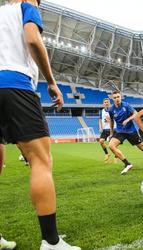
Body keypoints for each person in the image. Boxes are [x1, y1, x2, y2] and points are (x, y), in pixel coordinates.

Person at [0, 1, 80, 249]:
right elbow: (33, 39)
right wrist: (52, 81)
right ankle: (51, 242)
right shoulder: (25, 6)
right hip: (14, 83)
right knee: (40, 161)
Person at [108, 91, 143, 175]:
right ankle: (127, 164)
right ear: (112, 99)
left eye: (118, 97)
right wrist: (111, 133)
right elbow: (112, 121)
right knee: (111, 146)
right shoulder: (111, 110)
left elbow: (135, 114)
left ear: (121, 97)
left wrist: (128, 119)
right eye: (115, 97)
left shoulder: (126, 105)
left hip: (131, 131)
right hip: (120, 131)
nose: (117, 99)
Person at [99, 98, 111, 163]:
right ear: (103, 104)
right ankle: (106, 154)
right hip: (105, 129)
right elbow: (100, 119)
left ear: (109, 103)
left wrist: (110, 120)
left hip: (112, 129)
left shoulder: (112, 110)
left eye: (107, 102)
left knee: (112, 145)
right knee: (101, 141)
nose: (106, 103)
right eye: (105, 102)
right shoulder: (102, 111)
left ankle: (116, 156)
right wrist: (101, 128)